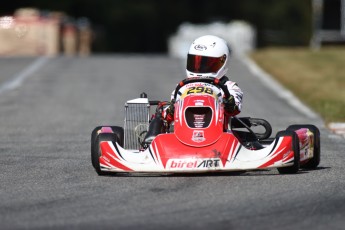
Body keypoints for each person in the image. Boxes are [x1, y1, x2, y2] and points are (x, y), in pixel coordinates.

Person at [144, 35, 243, 144]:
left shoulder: (230, 87)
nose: (200, 67)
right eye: (195, 62)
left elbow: (235, 109)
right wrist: (169, 110)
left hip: (220, 139)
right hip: (182, 138)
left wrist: (228, 102)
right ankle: (149, 143)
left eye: (207, 63)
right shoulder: (182, 87)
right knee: (159, 117)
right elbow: (169, 116)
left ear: (223, 61)